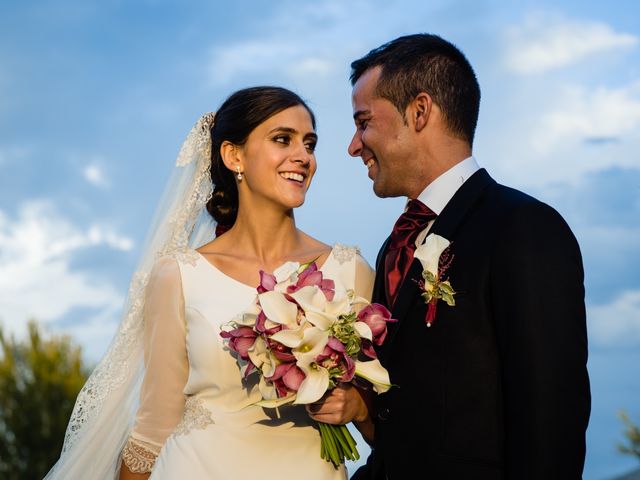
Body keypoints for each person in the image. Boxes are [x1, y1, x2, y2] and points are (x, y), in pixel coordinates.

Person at [44, 86, 374, 480]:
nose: (303, 157)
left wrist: (358, 406)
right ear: (234, 156)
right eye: (282, 139)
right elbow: (153, 426)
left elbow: (389, 419)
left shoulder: (348, 269)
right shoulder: (179, 275)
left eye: (310, 143)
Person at [309, 33, 591, 479]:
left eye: (363, 122)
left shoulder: (522, 227)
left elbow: (550, 413)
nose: (353, 145)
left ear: (420, 111)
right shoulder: (395, 245)